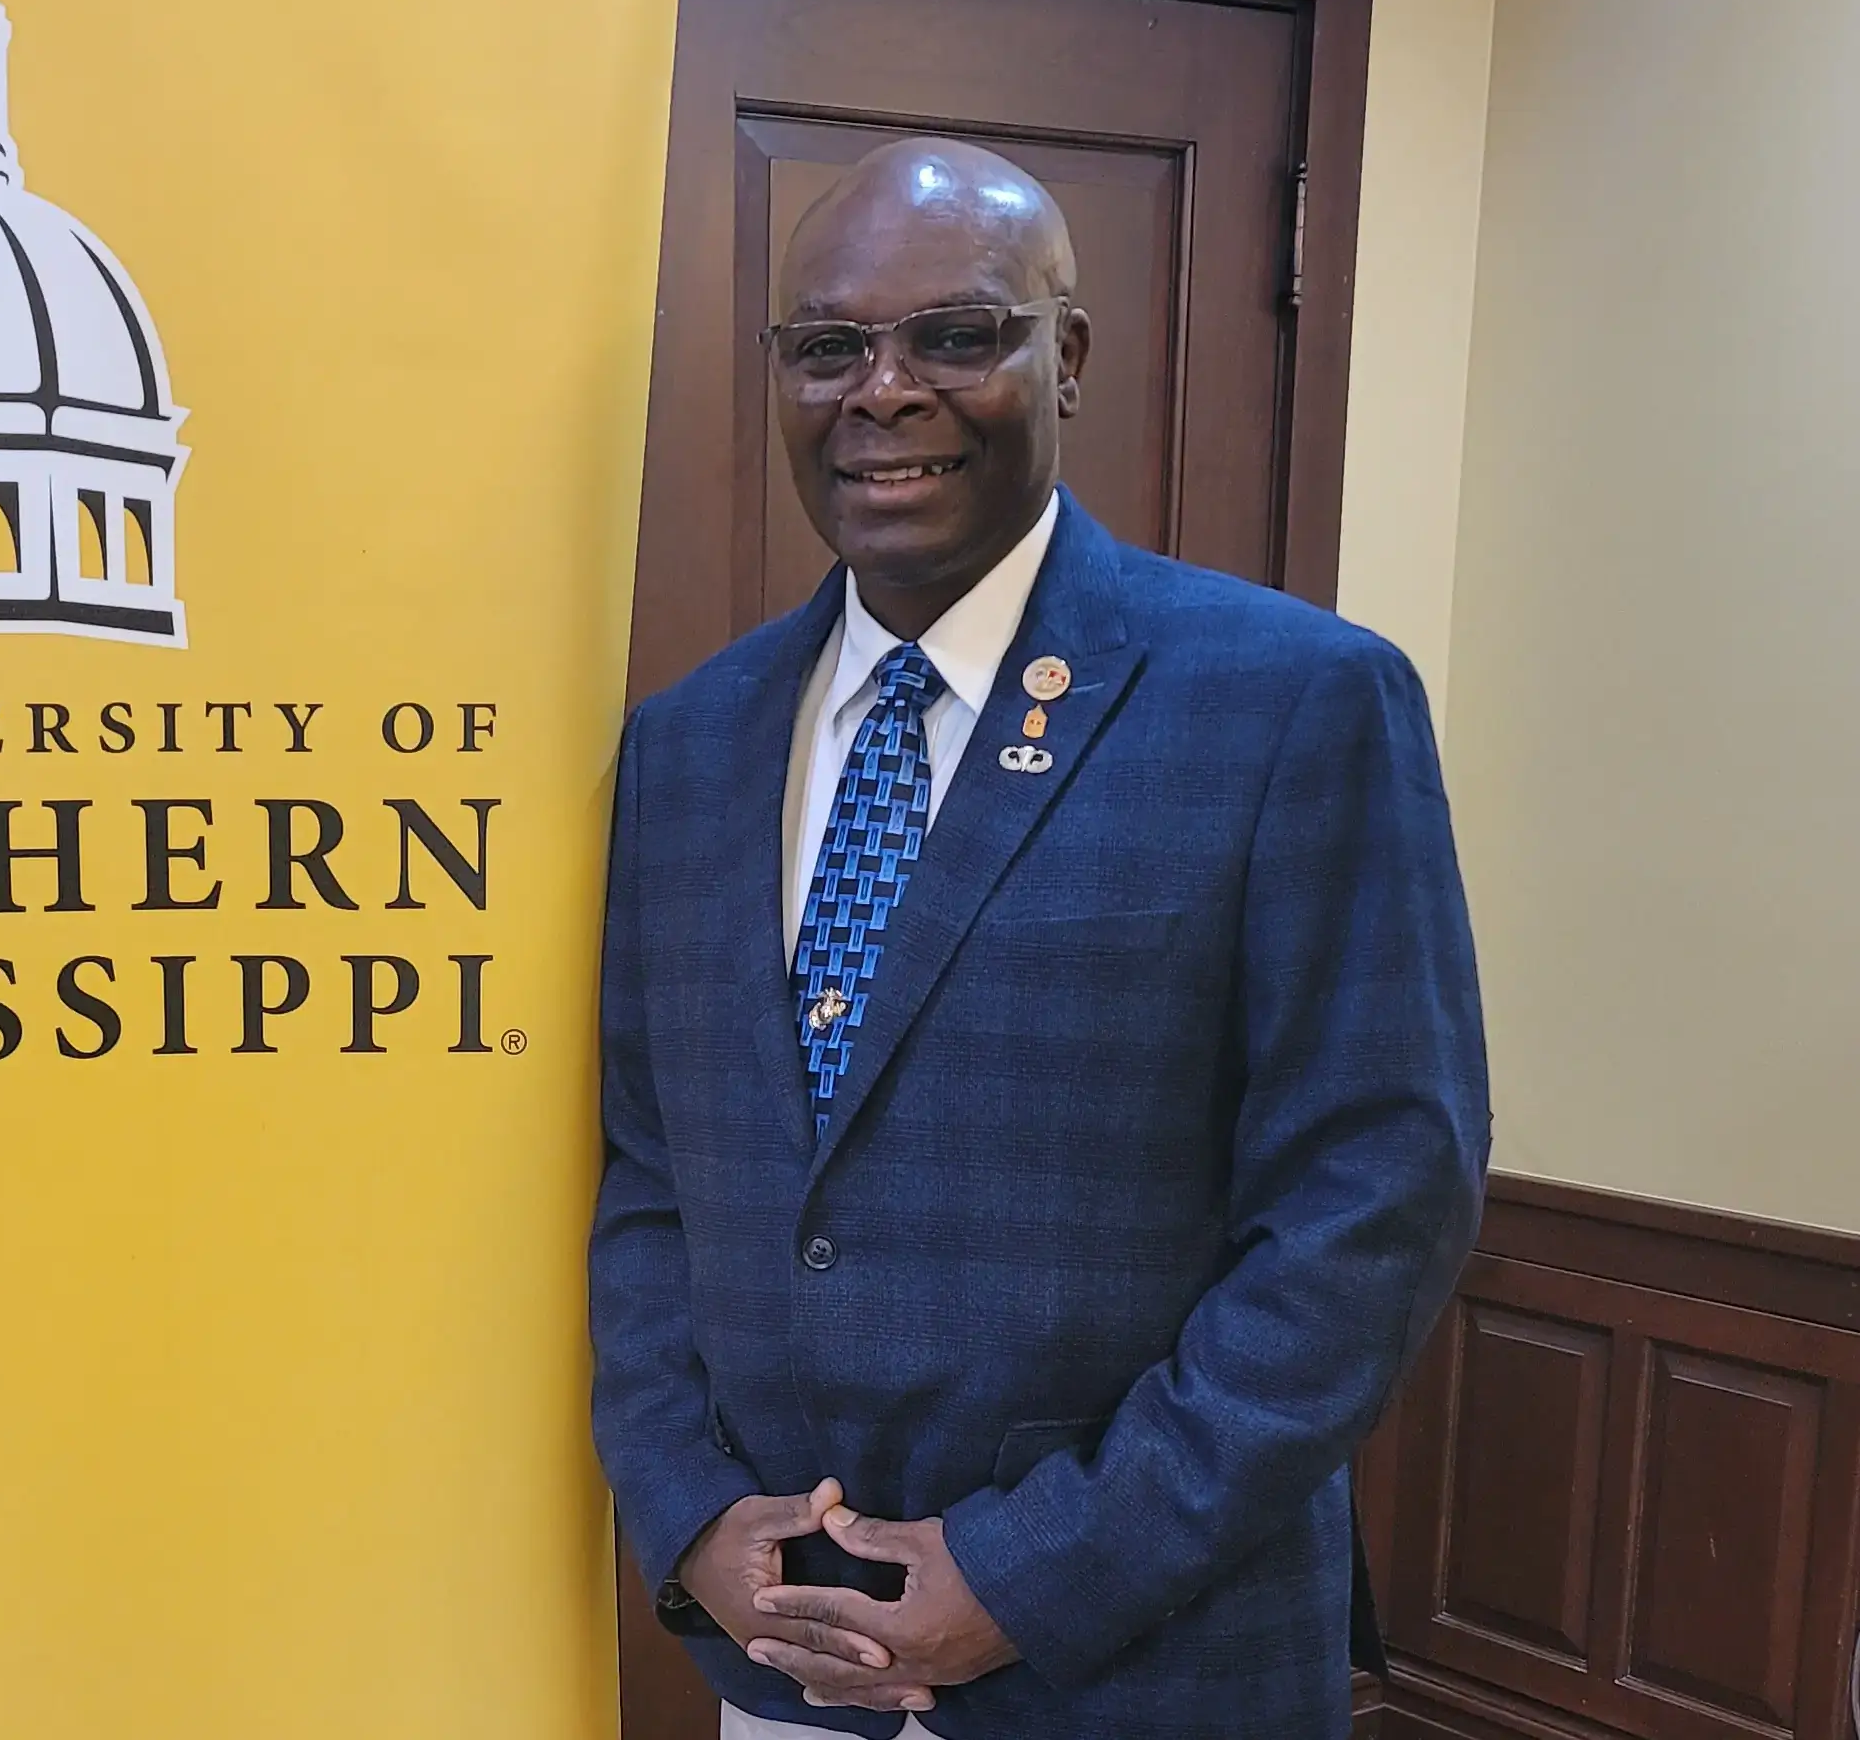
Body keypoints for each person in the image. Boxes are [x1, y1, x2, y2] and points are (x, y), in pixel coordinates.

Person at [589, 137, 1488, 1739]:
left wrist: (1030, 1572)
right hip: (786, 1662)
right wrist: (690, 1516)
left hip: (1140, 1658)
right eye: (830, 345)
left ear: (1063, 356)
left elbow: (1374, 1206)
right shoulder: (687, 744)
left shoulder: (1292, 702)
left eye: (954, 335)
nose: (884, 390)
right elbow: (651, 1175)